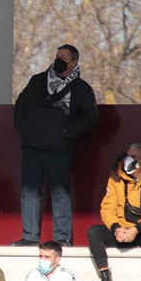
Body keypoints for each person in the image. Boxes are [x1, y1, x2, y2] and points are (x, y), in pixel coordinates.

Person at [12, 45, 98, 247]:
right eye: (57, 56)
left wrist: (67, 134)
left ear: (74, 62)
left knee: (60, 194)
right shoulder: (37, 81)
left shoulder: (82, 89)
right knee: (29, 193)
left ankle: (62, 238)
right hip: (32, 146)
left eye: (64, 57)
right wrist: (25, 130)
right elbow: (20, 106)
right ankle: (30, 237)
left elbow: (90, 117)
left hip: (59, 149)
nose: (58, 59)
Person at [86, 143, 141, 281]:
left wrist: (136, 229)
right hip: (120, 232)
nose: (128, 159)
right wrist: (116, 228)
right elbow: (107, 208)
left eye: (134, 157)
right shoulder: (115, 179)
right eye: (128, 155)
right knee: (94, 231)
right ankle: (105, 278)